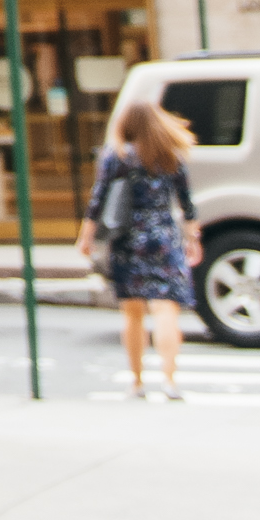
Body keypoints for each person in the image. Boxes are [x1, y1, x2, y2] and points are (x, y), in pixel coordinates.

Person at [79, 93, 200, 399]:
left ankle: (137, 382)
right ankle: (170, 381)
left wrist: (87, 236)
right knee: (165, 309)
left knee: (132, 313)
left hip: (127, 238)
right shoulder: (170, 154)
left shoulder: (116, 155)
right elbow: (187, 204)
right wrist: (193, 240)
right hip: (163, 237)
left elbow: (98, 199)